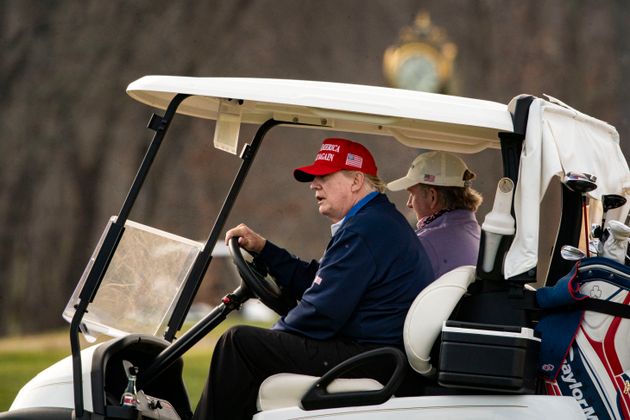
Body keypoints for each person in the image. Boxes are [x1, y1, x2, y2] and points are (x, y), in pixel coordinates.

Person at [193, 138, 434, 420]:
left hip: (371, 357)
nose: (314, 184)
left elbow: (320, 313)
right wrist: (265, 250)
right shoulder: (374, 221)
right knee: (253, 344)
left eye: (325, 176)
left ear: (356, 180)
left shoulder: (364, 230)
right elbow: (320, 281)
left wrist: (274, 335)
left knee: (238, 342)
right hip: (375, 352)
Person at [387, 151, 483, 279]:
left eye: (412, 195)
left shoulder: (423, 244)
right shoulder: (481, 236)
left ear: (432, 196)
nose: (409, 203)